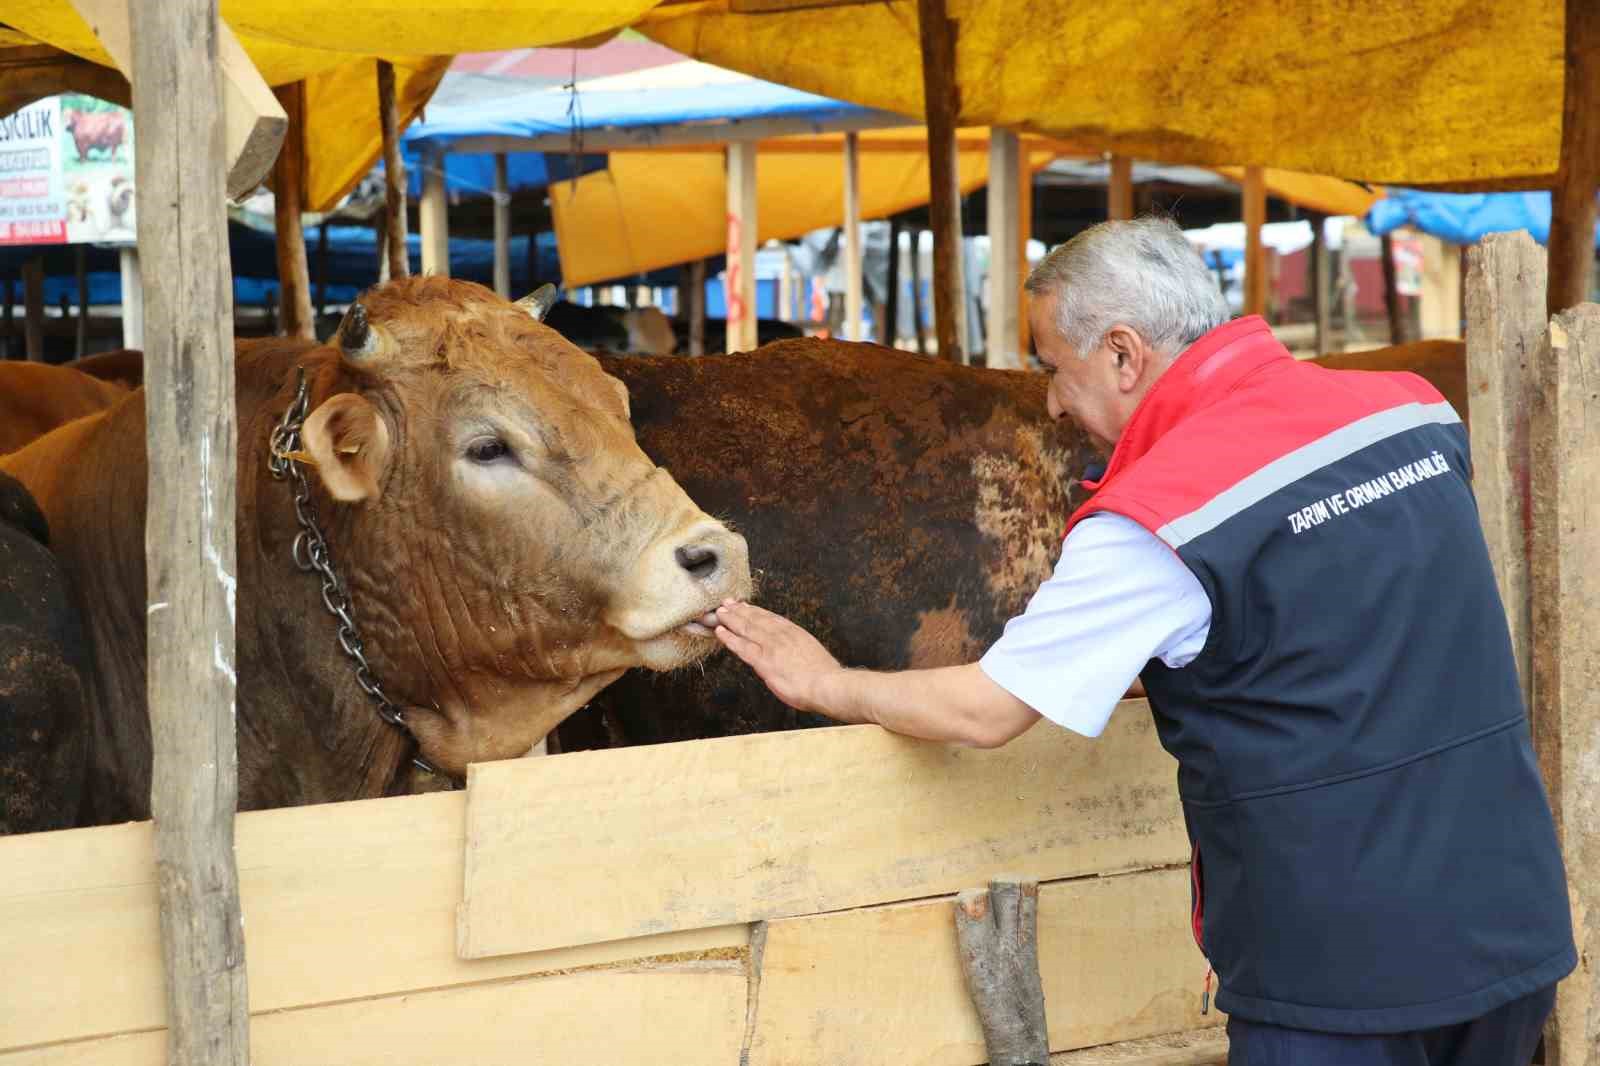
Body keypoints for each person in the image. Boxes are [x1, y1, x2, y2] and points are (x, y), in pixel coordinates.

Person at [712, 216, 1574, 1066]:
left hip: (1339, 981)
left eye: (1054, 366)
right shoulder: (1410, 414)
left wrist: (824, 681)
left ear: (1123, 354)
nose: (1052, 400)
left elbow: (983, 711)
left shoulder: (1159, 517)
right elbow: (1343, 616)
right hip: (1509, 921)